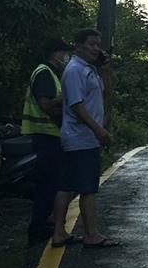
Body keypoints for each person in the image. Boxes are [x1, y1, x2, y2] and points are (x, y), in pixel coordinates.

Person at [51, 29, 120, 249]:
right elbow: (76, 105)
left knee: (67, 185)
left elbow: (105, 98)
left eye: (98, 45)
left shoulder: (90, 70)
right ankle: (91, 234)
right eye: (91, 44)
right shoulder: (74, 70)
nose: (95, 49)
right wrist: (99, 131)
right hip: (80, 138)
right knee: (88, 188)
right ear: (77, 46)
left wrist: (106, 73)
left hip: (83, 137)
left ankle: (60, 232)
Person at [21, 38, 71, 244]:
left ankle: (44, 222)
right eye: (63, 53)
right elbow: (46, 104)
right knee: (48, 184)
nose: (65, 57)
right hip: (46, 134)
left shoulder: (50, 74)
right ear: (55, 54)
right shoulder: (44, 73)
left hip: (50, 134)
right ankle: (38, 227)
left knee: (51, 182)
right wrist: (69, 96)